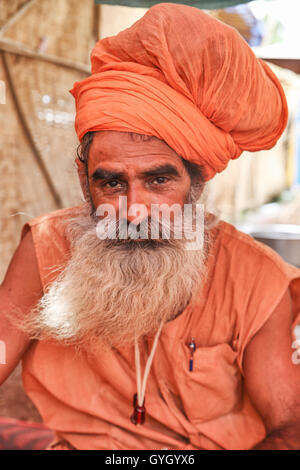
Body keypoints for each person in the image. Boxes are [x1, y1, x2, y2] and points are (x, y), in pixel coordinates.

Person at [1, 3, 300, 450]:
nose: (133, 210)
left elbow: (290, 426)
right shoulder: (47, 247)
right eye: (112, 182)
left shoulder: (257, 278)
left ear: (195, 182)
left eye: (159, 180)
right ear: (86, 183)